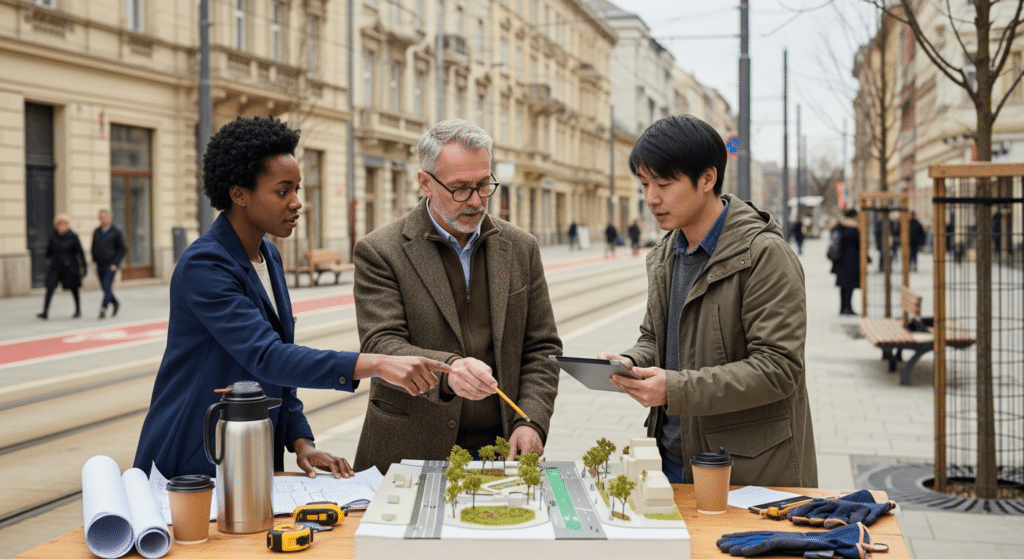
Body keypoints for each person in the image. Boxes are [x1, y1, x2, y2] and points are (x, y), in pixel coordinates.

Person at [134, 116, 451, 480]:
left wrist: (301, 440)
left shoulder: (268, 255)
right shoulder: (205, 265)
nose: (297, 202)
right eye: (283, 191)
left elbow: (278, 368)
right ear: (239, 194)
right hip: (196, 452)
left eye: (298, 189)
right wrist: (376, 364)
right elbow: (267, 357)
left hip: (251, 451)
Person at [597, 115, 816, 488]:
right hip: (671, 456)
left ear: (707, 179)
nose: (651, 198)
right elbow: (656, 338)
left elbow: (779, 368)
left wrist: (675, 388)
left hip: (743, 468)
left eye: (664, 184)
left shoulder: (764, 254)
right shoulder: (667, 253)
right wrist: (632, 361)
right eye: (645, 184)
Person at [351, 119, 562, 474]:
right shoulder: (380, 250)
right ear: (425, 183)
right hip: (408, 450)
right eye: (460, 188)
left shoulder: (522, 247)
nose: (477, 200)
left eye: (484, 185)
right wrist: (449, 371)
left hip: (498, 450)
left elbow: (542, 347)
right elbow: (381, 343)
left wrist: (532, 421)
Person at [37, 214, 87, 320]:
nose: (62, 226)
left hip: (70, 267)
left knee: (74, 288)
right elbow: (48, 252)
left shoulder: (73, 236)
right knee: (50, 288)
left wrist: (84, 267)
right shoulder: (53, 236)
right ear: (56, 225)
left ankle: (78, 310)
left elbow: (80, 253)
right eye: (60, 224)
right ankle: (45, 312)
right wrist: (47, 262)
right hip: (55, 266)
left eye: (65, 224)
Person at [91, 209, 126, 318]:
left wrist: (116, 263)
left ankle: (103, 308)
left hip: (111, 264)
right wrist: (94, 259)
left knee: (107, 285)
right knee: (105, 288)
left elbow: (123, 248)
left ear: (109, 218)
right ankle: (115, 303)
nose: (102, 219)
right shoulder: (97, 231)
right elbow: (93, 247)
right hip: (99, 264)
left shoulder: (116, 231)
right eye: (100, 218)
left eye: (104, 217)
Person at [832, 209, 862, 315]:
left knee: (843, 287)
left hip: (840, 261)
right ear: (853, 216)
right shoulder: (854, 229)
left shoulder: (840, 226)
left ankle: (842, 308)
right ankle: (848, 308)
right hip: (851, 261)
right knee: (849, 286)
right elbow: (859, 244)